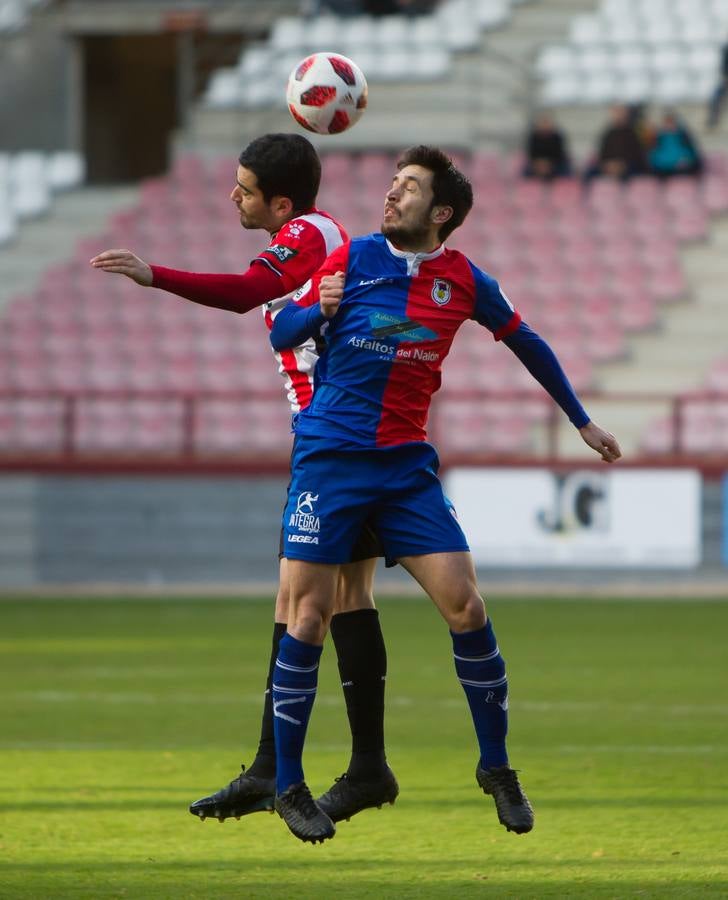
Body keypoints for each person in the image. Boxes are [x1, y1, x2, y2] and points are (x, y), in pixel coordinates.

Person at [267, 145, 622, 844]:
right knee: (307, 616)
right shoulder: (350, 259)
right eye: (393, 185)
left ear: (443, 212)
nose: (391, 196)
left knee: (466, 605)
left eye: (407, 189)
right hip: (329, 462)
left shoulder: (464, 280)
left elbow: (528, 342)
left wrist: (580, 419)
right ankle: (286, 784)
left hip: (405, 470)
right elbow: (281, 328)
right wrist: (317, 310)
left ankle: (497, 767)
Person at [90, 133, 398, 826]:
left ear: (280, 202)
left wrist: (154, 274)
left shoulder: (309, 234)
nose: (233, 195)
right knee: (336, 595)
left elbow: (248, 294)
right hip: (333, 437)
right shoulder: (310, 236)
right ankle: (341, 766)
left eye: (245, 187)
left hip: (339, 442)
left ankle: (285, 769)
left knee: (305, 600)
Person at [583, 104, 647, 182]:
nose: (618, 115)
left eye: (620, 112)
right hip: (609, 165)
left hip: (628, 167)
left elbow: (638, 156)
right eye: (616, 112)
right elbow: (602, 154)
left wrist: (621, 165)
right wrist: (607, 165)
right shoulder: (608, 133)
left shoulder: (632, 134)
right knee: (588, 174)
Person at [648, 110, 704, 179]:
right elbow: (654, 156)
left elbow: (692, 153)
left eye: (671, 122)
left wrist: (686, 160)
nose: (669, 125)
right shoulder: (659, 137)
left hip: (682, 168)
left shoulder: (683, 136)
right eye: (667, 123)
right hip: (663, 168)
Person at [522, 111, 572, 180]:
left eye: (546, 122)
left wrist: (549, 165)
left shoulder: (557, 137)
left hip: (555, 164)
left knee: (567, 172)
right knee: (525, 173)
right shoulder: (533, 137)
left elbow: (560, 154)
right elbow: (531, 154)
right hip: (537, 165)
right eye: (542, 122)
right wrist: (539, 164)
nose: (544, 125)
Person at [707, 37, 728, 130]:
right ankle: (713, 121)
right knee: (716, 97)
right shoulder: (725, 48)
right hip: (726, 78)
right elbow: (723, 66)